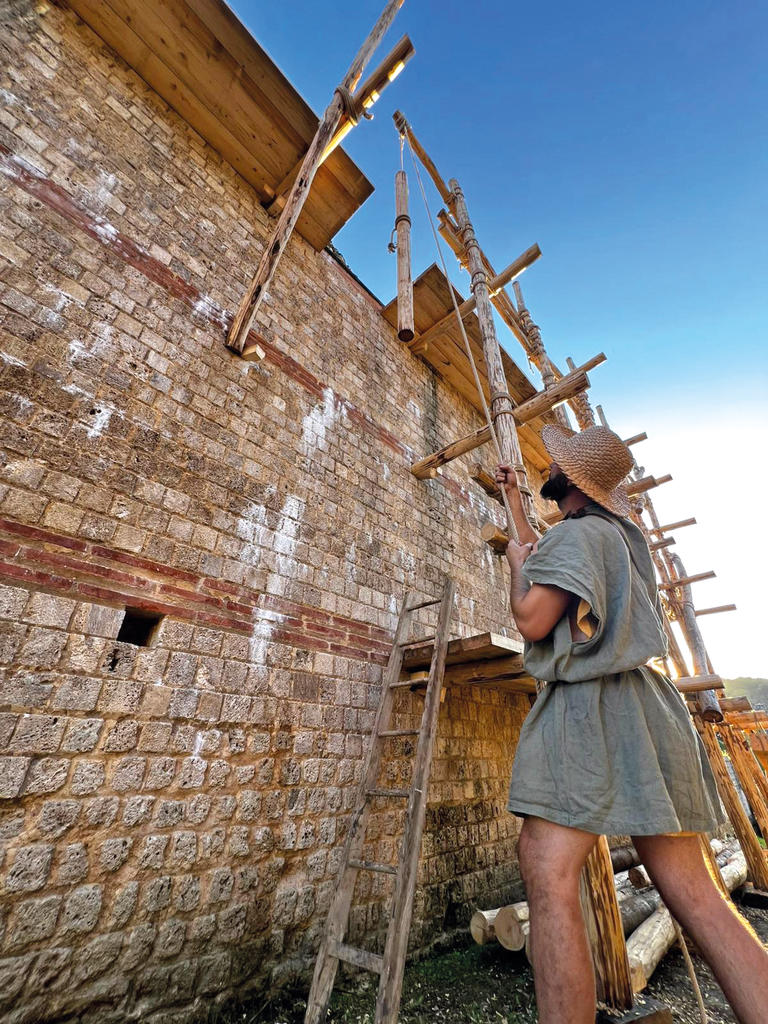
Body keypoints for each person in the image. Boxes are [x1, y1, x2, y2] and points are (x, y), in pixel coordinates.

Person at [495, 423, 768, 1024]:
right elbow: (557, 567)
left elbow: (534, 616)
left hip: (589, 708)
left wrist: (515, 565)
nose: (550, 470)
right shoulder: (616, 536)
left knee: (546, 869)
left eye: (556, 466)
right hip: (649, 709)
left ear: (569, 481)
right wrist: (515, 505)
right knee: (698, 895)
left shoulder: (577, 535)